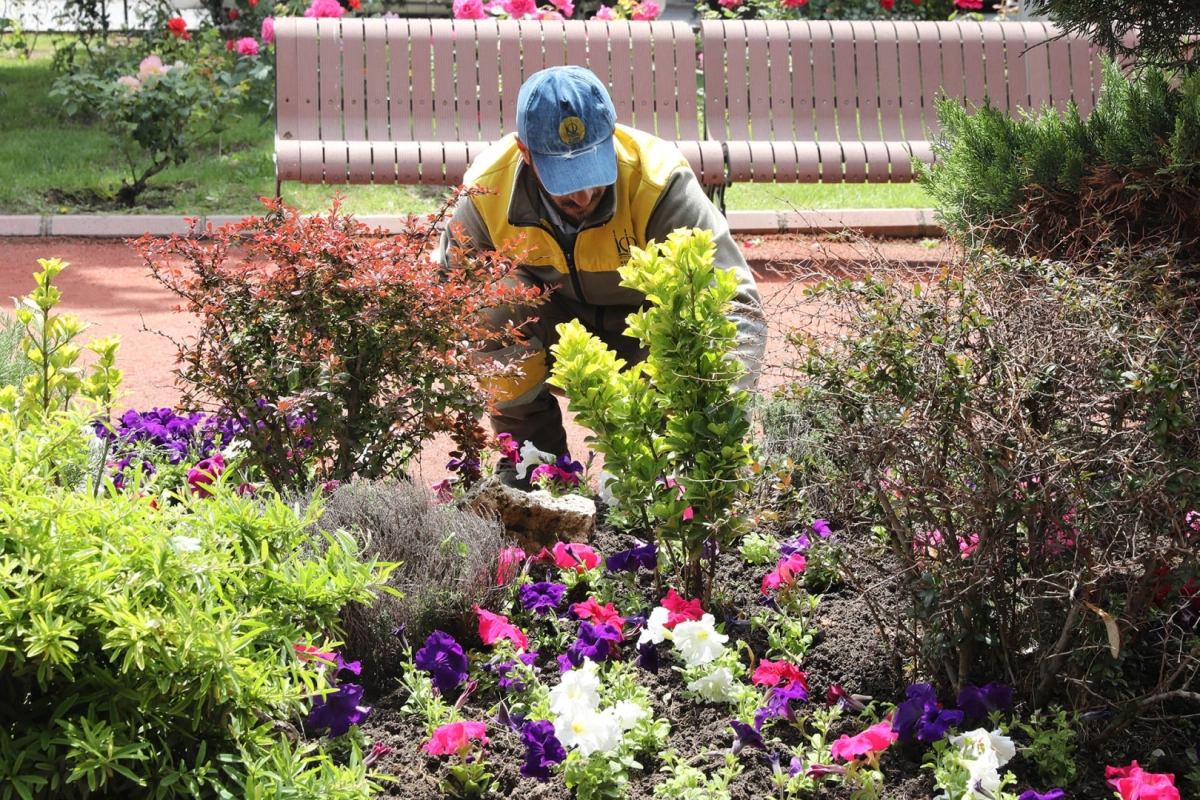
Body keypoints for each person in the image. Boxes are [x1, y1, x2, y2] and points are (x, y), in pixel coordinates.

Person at [435, 65, 767, 485]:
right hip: (553, 338)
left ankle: (670, 467)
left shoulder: (659, 180)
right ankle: (532, 462)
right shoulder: (487, 192)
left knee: (665, 464)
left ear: (610, 137)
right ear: (525, 152)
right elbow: (450, 296)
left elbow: (734, 305)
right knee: (484, 300)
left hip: (650, 344)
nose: (583, 195)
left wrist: (719, 420)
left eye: (592, 172)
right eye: (564, 179)